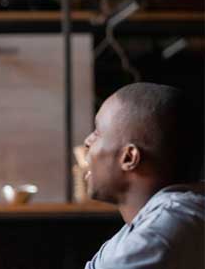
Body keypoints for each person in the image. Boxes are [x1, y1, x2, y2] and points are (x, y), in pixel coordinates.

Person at [83, 82, 204, 269]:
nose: (87, 142)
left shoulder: (163, 231)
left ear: (129, 157)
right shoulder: (135, 231)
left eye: (97, 133)